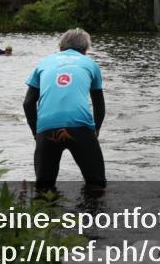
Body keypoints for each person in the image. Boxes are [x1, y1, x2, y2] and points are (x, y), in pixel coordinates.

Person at [23, 28, 106, 193]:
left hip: (47, 128)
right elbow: (99, 105)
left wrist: (36, 132)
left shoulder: (44, 63)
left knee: (44, 189)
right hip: (80, 127)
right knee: (97, 186)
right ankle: (91, 215)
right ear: (85, 50)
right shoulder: (90, 64)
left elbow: (28, 103)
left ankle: (45, 216)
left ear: (60, 47)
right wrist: (95, 130)